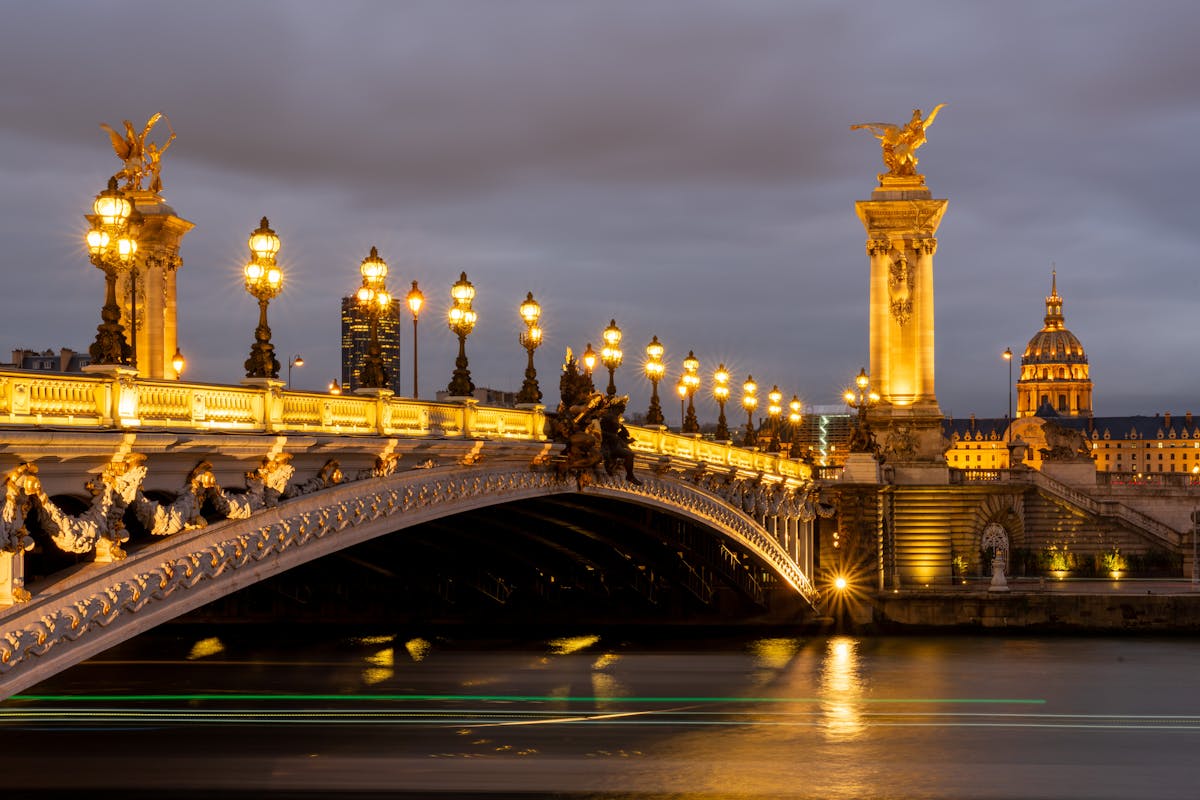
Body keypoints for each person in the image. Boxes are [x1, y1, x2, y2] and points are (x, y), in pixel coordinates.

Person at [600, 397, 641, 485]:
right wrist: (613, 436)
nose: (624, 409)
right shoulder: (607, 417)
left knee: (630, 452)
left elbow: (618, 433)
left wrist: (625, 435)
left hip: (615, 443)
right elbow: (600, 431)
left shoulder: (615, 418)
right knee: (629, 454)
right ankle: (629, 476)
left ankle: (629, 474)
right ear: (617, 407)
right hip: (609, 445)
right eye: (622, 407)